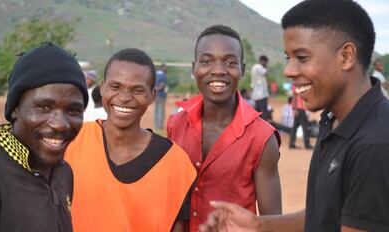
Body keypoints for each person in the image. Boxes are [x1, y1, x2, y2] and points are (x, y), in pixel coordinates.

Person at [199, 0, 389, 231]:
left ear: (346, 56)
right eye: (288, 57)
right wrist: (258, 225)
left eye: (302, 57)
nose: (288, 70)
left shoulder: (374, 144)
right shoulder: (335, 120)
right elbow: (326, 212)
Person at [64, 48, 196, 232]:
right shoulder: (71, 142)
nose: (124, 98)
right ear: (102, 88)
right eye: (115, 87)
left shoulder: (176, 163)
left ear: (152, 96)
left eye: (137, 90)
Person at [167, 25, 282, 232]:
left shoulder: (262, 137)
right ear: (194, 68)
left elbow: (272, 222)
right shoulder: (176, 125)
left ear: (242, 69)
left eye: (230, 62)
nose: (218, 70)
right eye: (206, 61)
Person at [0, 42, 88, 232]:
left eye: (73, 110)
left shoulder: (63, 172)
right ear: (15, 110)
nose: (60, 124)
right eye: (44, 107)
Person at [289, 84, 313, 149]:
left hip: (300, 108)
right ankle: (307, 145)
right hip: (300, 108)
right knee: (305, 127)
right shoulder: (297, 84)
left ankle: (291, 144)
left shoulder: (298, 84)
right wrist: (295, 109)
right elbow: (294, 96)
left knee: (295, 126)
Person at [251, 55, 270, 120]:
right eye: (266, 62)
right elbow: (266, 72)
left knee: (257, 113)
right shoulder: (259, 67)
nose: (266, 64)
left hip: (255, 94)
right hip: (262, 94)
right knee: (264, 114)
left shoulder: (254, 67)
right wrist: (265, 66)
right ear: (263, 61)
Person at [154, 63, 168, 129]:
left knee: (156, 110)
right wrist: (157, 89)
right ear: (163, 68)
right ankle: (160, 126)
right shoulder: (163, 76)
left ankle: (156, 125)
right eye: (166, 68)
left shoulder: (155, 75)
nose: (166, 69)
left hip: (155, 95)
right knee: (161, 110)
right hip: (161, 95)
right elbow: (161, 86)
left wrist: (153, 90)